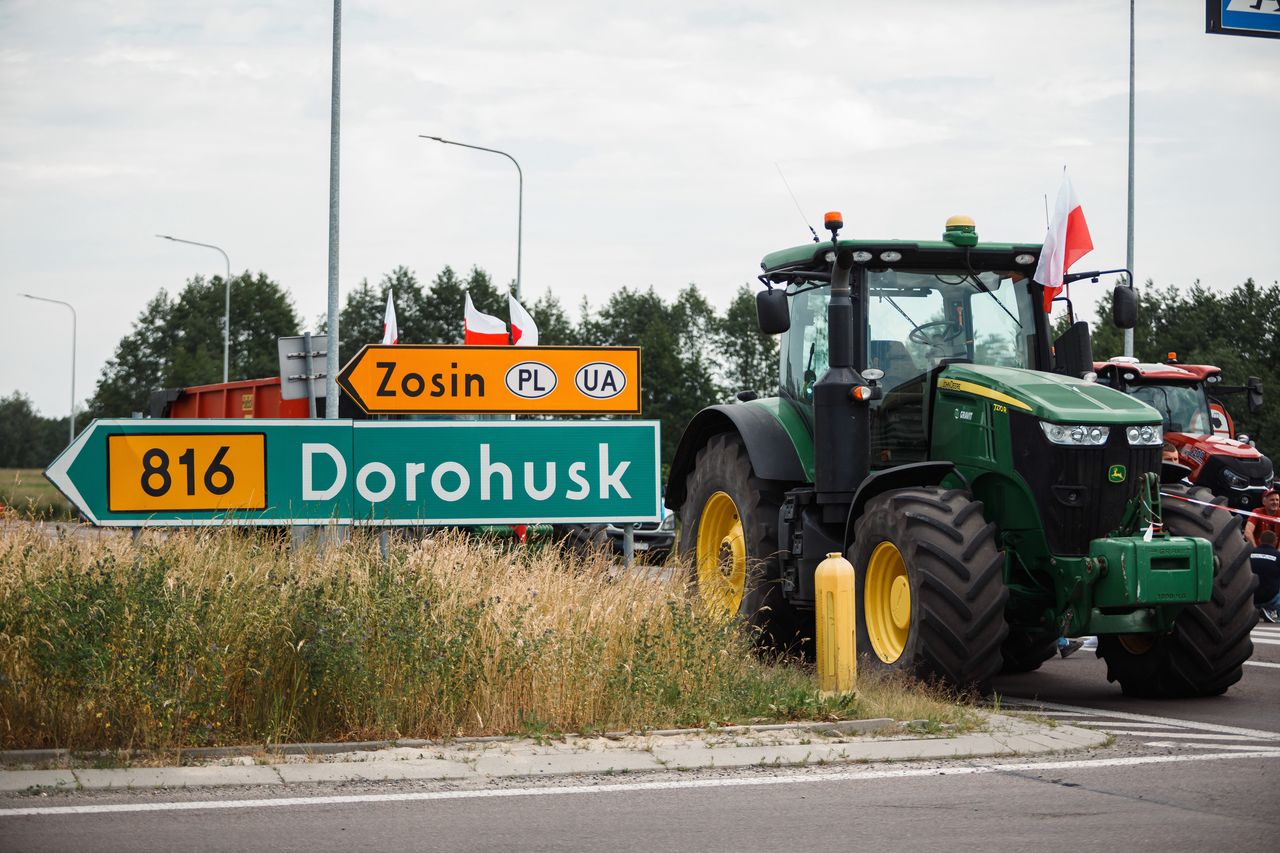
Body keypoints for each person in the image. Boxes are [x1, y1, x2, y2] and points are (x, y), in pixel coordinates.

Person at [1250, 530, 1280, 623]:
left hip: (1251, 598)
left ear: (1259, 540)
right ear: (1275, 541)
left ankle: (1257, 609)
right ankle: (1272, 611)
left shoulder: (1249, 554)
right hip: (1270, 598)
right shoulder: (1278, 556)